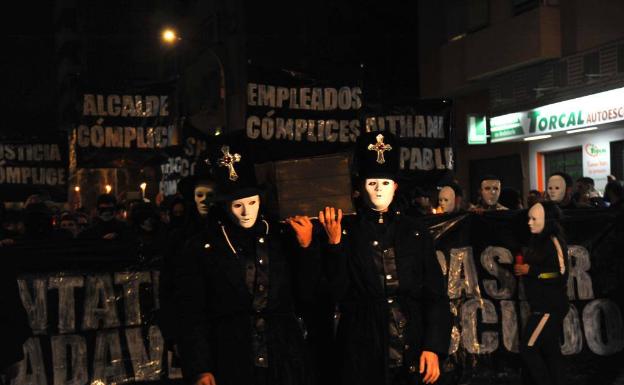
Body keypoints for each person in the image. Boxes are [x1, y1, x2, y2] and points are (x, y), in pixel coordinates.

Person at [175, 141, 319, 385]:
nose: (246, 212)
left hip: (283, 355)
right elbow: (192, 312)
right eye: (238, 205)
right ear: (225, 206)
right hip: (232, 355)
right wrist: (201, 367)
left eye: (252, 203)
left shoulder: (279, 236)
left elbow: (308, 292)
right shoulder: (204, 247)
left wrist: (306, 248)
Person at [321, 132, 450, 385]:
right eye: (372, 183)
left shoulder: (414, 231)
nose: (379, 189)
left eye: (385, 182)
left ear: (395, 187)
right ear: (360, 187)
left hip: (411, 348)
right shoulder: (346, 230)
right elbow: (335, 292)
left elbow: (435, 294)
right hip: (362, 349)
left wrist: (433, 347)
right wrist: (334, 246)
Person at [514, 201, 569, 385]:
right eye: (529, 218)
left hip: (549, 306)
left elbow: (561, 273)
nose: (529, 223)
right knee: (550, 350)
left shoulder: (553, 241)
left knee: (528, 348)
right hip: (541, 304)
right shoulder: (537, 240)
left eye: (534, 219)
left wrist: (531, 271)